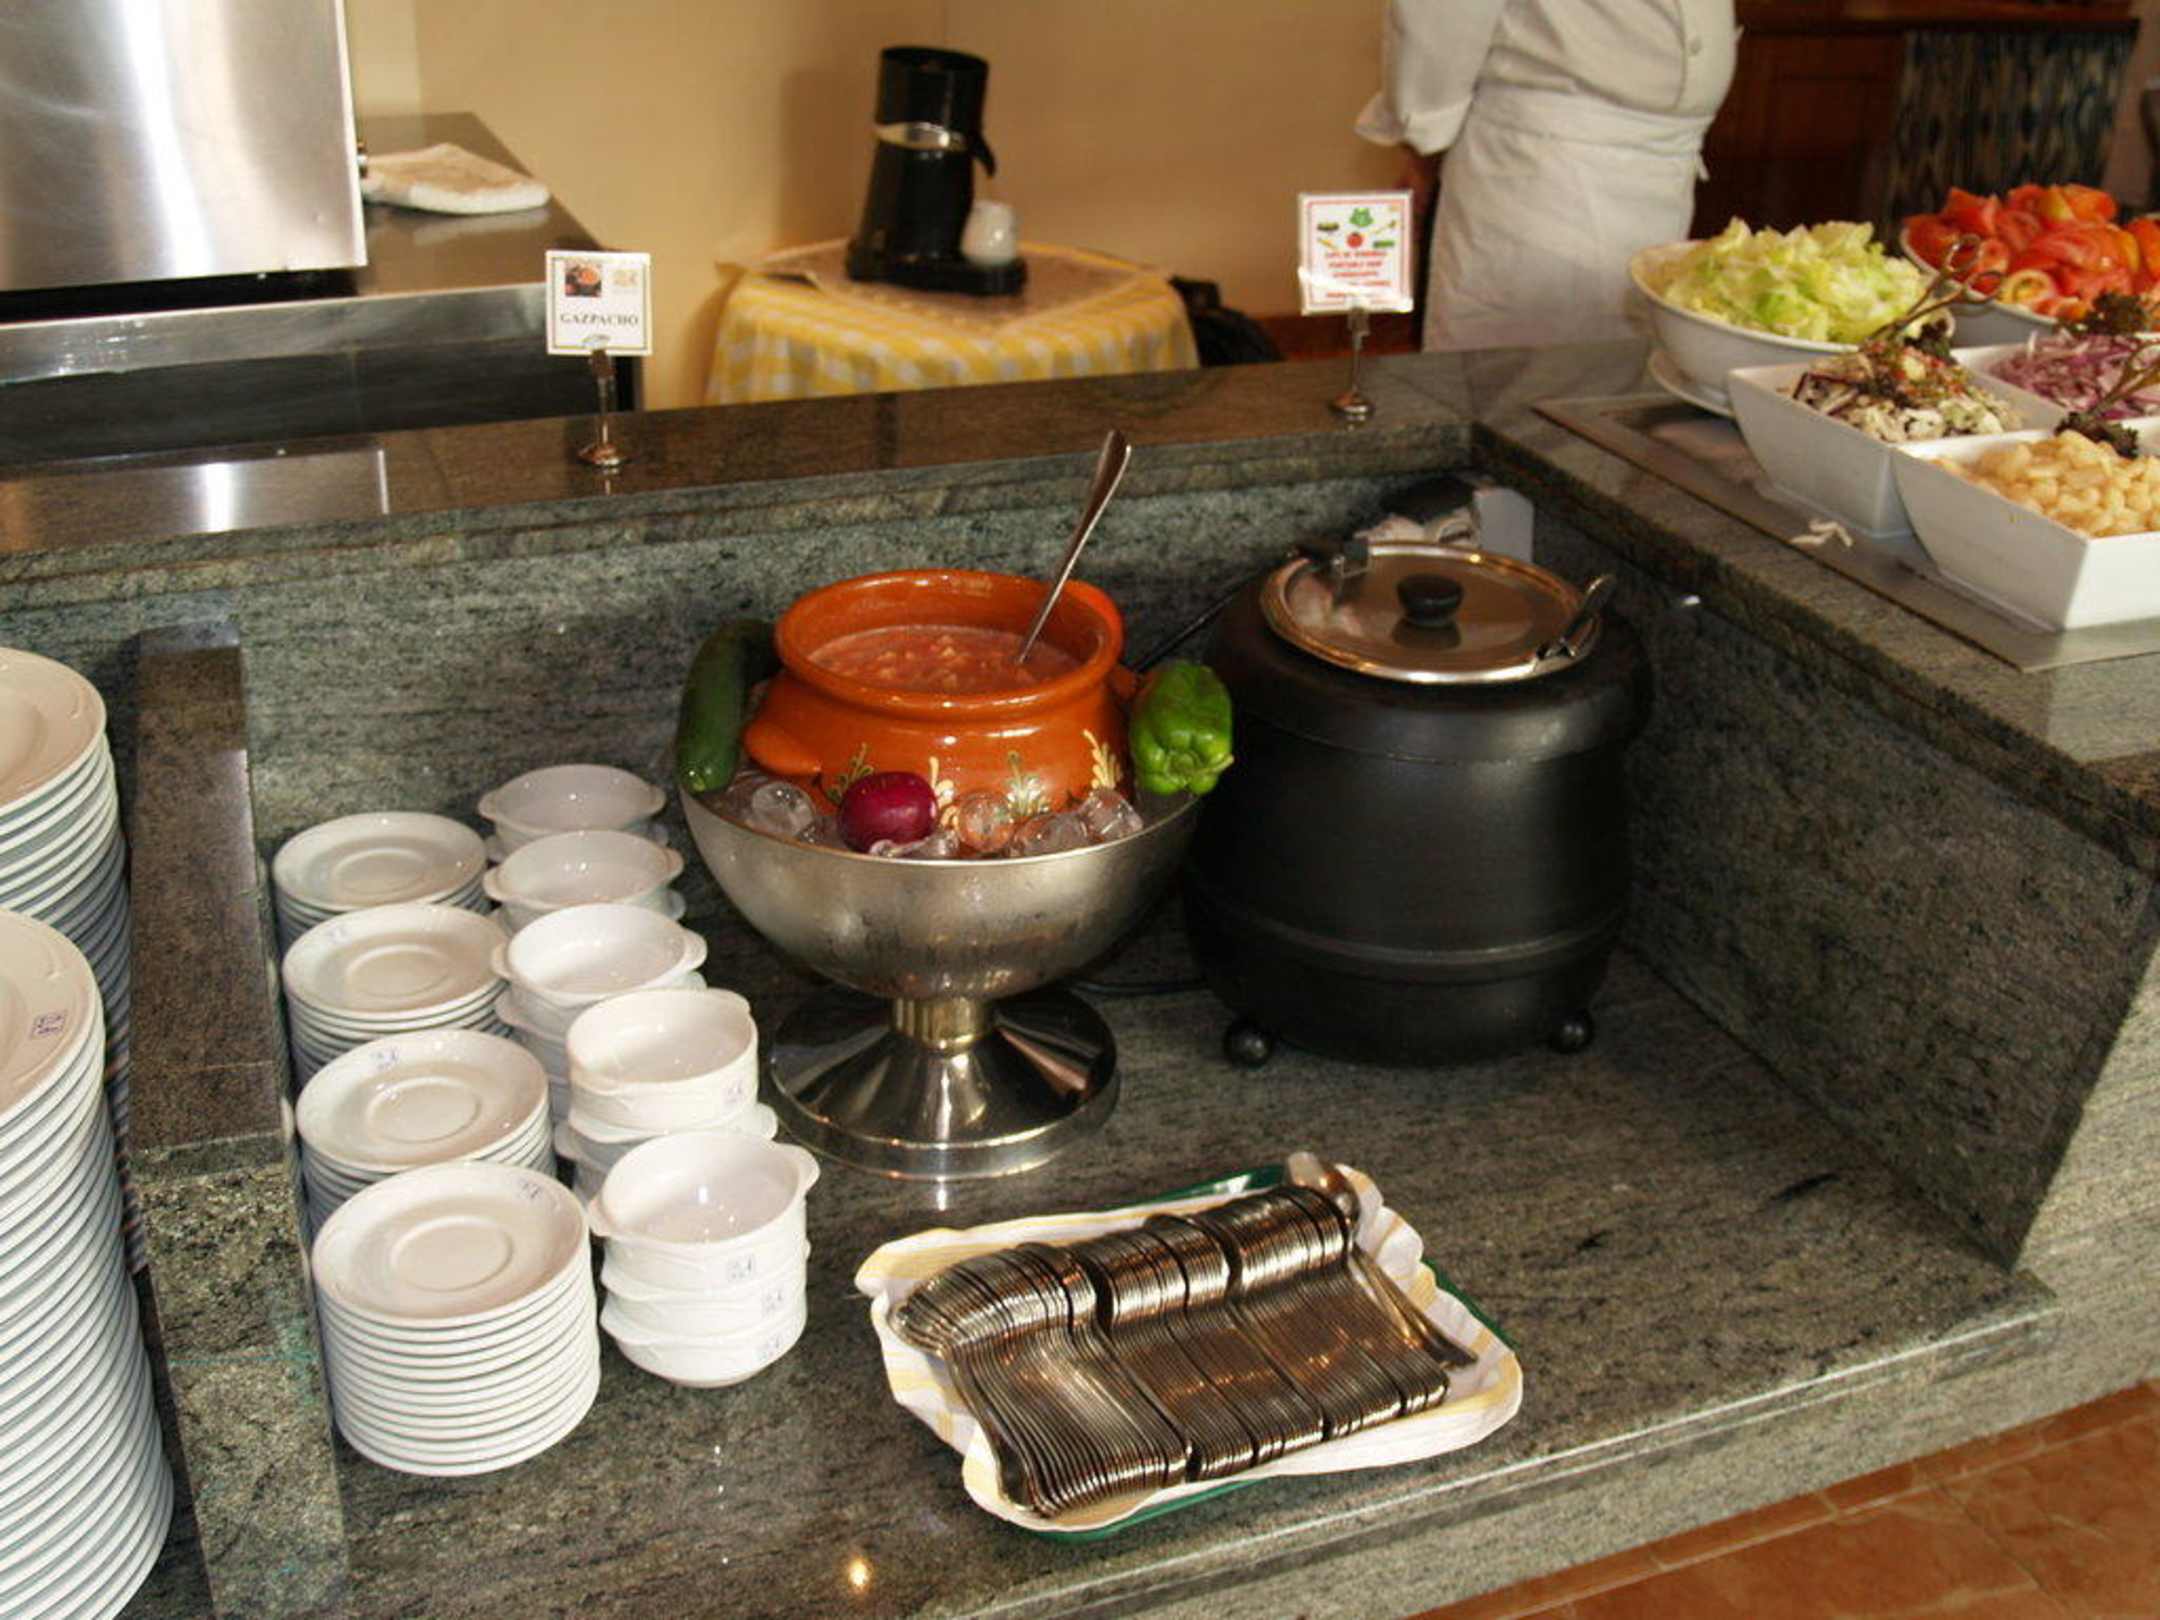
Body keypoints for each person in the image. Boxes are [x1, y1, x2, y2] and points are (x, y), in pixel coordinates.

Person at [1358, 0, 1738, 351]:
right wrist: (1423, 141)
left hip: (1669, 174)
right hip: (1542, 166)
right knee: (1515, 369)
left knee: (1627, 372)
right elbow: (1443, 15)